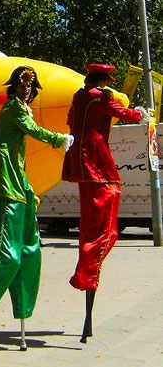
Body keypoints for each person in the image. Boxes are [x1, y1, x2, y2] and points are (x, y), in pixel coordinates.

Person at [0, 66, 73, 322]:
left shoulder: (22, 108)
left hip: (14, 172)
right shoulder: (14, 108)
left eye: (29, 87)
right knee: (5, 250)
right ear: (13, 88)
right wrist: (59, 139)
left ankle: (22, 306)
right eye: (22, 85)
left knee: (28, 250)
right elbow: (32, 130)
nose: (26, 90)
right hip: (3, 175)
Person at [62, 63, 146, 292]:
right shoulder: (99, 98)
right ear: (101, 80)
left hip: (78, 156)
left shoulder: (79, 96)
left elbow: (70, 120)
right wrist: (141, 114)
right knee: (105, 211)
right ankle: (87, 273)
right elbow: (125, 114)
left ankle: (86, 270)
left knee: (89, 218)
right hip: (95, 156)